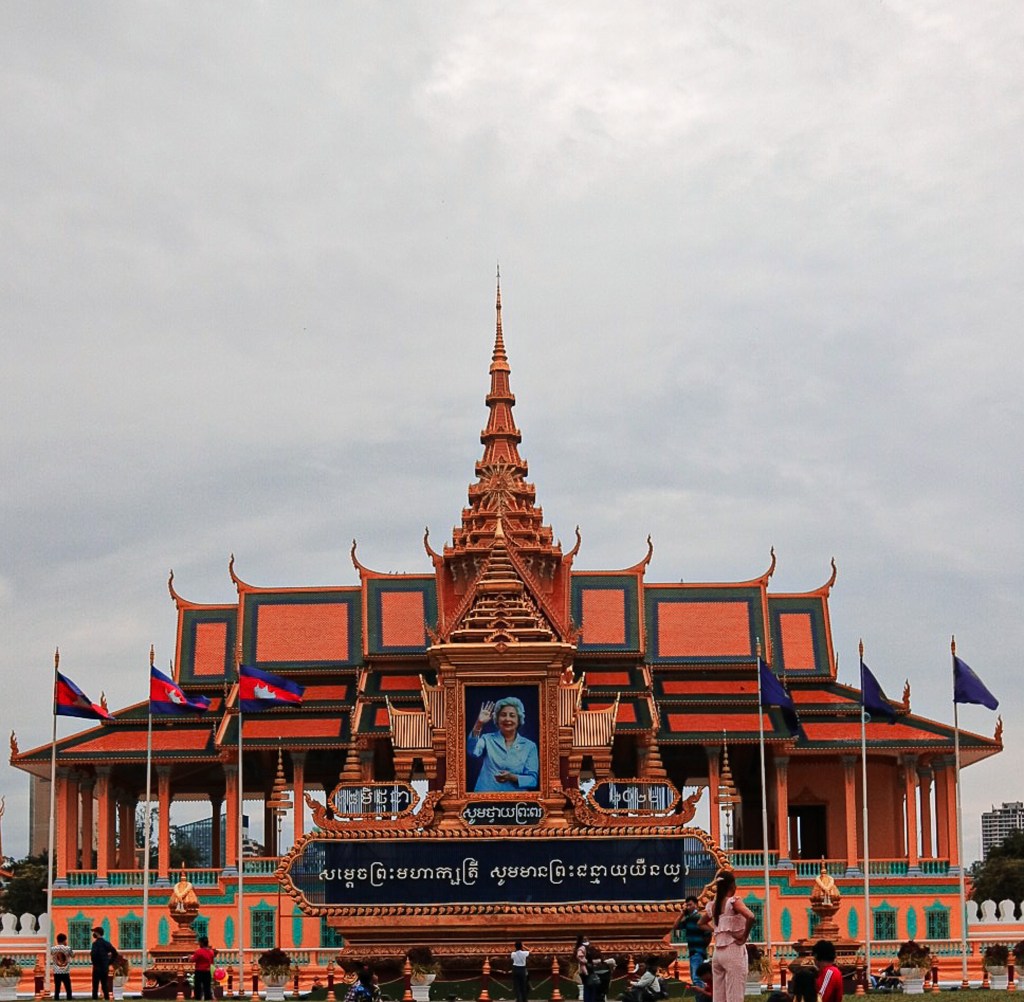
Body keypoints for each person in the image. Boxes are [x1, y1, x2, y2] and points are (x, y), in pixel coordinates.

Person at [699, 871, 755, 1002]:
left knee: (719, 996)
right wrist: (744, 937)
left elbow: (700, 923)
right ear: (732, 885)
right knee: (735, 994)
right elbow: (751, 916)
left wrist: (718, 931)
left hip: (718, 954)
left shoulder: (713, 905)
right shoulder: (733, 902)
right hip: (733, 950)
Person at [467, 696, 539, 792]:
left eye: (512, 715)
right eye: (503, 715)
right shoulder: (487, 739)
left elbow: (533, 780)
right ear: (497, 719)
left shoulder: (530, 746)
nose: (507, 719)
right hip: (484, 799)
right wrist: (479, 723)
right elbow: (472, 751)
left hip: (516, 802)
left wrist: (512, 777)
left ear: (518, 720)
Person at [681, 896, 711, 988]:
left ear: (696, 905)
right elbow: (675, 926)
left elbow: (708, 932)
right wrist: (681, 914)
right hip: (693, 952)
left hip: (697, 952)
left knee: (696, 978)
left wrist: (701, 946)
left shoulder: (698, 917)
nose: (688, 907)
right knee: (695, 978)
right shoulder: (688, 919)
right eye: (687, 905)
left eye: (690, 904)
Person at [90, 927, 115, 1001]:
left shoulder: (95, 944)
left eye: (94, 932)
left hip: (97, 967)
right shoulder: (107, 943)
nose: (93, 934)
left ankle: (95, 999)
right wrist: (109, 962)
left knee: (95, 985)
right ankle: (106, 998)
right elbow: (115, 953)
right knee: (105, 985)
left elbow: (93, 955)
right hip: (104, 967)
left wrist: (94, 962)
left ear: (97, 933)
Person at [191, 935, 217, 1001]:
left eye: (199, 942)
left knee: (197, 986)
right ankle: (207, 998)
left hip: (199, 971)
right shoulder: (211, 952)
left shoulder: (198, 951)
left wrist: (189, 957)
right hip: (207, 971)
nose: (199, 944)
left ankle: (198, 998)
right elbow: (211, 962)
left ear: (202, 943)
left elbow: (193, 960)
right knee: (207, 986)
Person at [51, 932, 75, 1000]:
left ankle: (56, 998)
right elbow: (73, 955)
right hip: (65, 971)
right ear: (64, 940)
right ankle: (69, 998)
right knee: (68, 988)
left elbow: (51, 954)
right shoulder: (67, 948)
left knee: (57, 988)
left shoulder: (53, 949)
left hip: (56, 971)